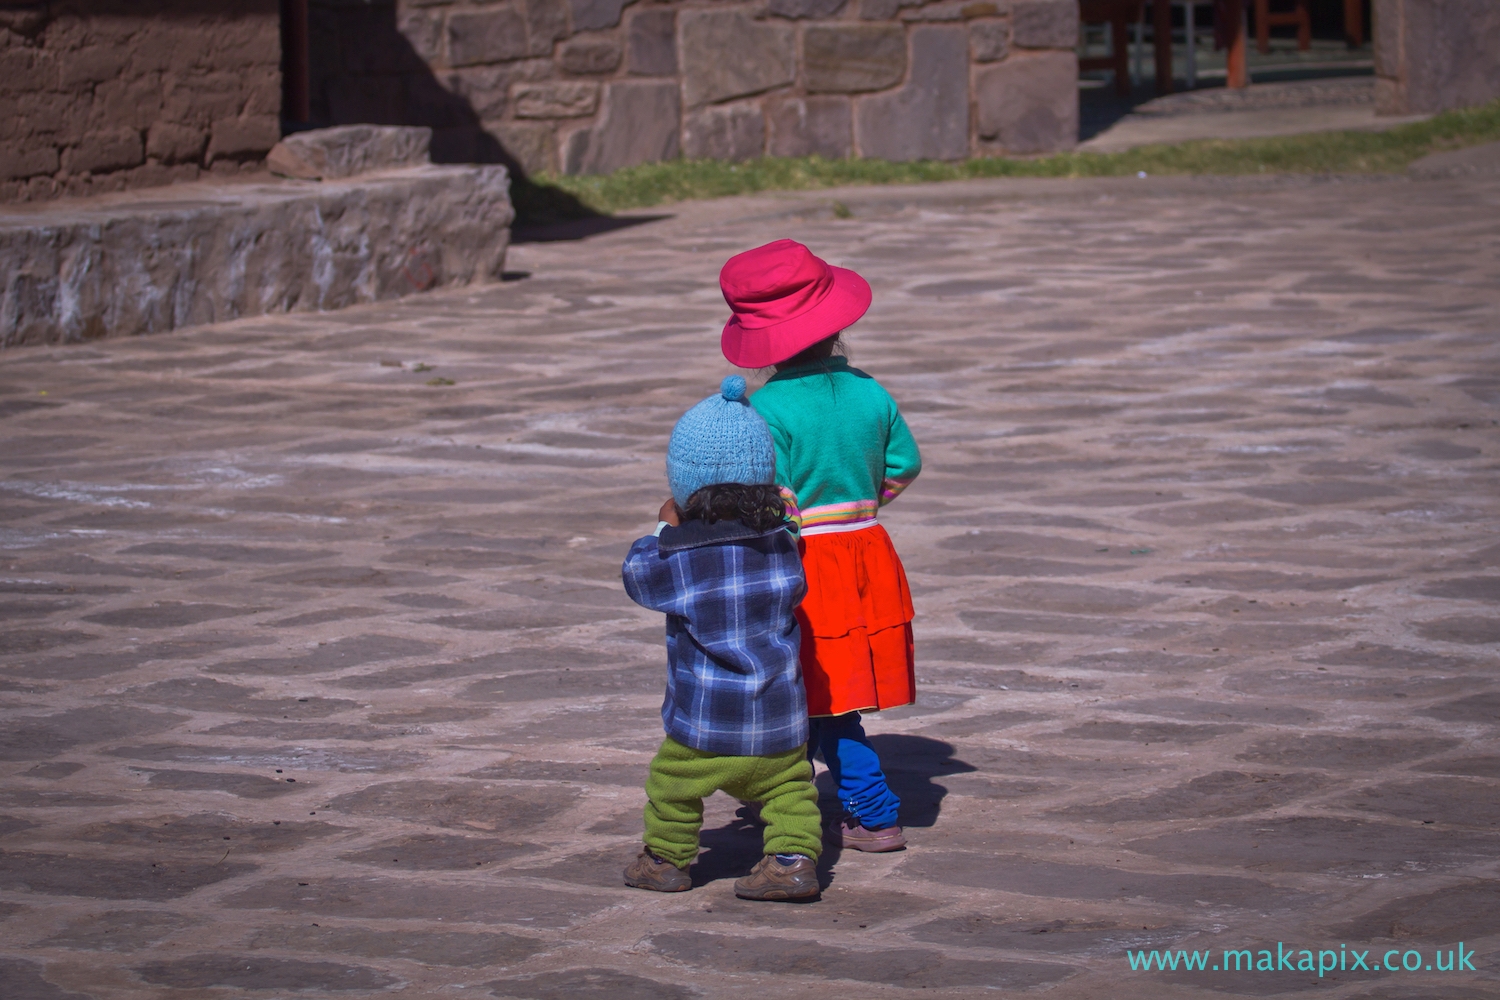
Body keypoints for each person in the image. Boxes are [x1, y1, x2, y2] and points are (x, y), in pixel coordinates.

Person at [719, 239, 921, 853]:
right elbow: (905, 464)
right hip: (867, 553)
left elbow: (770, 499)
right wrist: (860, 504)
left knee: (826, 703)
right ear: (835, 325)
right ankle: (785, 793)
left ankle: (873, 809)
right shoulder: (870, 393)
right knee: (825, 689)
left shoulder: (766, 408)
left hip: (804, 566)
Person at [621, 375, 824, 902]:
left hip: (704, 725)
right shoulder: (783, 546)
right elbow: (792, 519)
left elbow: (637, 577)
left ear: (684, 488)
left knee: (671, 787)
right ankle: (791, 861)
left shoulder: (679, 559)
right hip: (780, 722)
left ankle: (664, 860)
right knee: (790, 791)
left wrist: (665, 529)